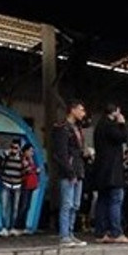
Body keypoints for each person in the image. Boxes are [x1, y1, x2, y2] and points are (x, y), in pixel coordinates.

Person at [90, 104, 128, 243]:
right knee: (116, 199)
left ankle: (100, 233)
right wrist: (122, 124)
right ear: (114, 112)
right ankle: (116, 232)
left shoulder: (99, 126)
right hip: (113, 171)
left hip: (101, 170)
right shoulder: (110, 126)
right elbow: (124, 137)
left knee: (103, 200)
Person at [51, 100, 88, 246]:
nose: (83, 113)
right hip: (69, 171)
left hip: (78, 169)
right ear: (72, 110)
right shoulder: (62, 128)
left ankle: (71, 233)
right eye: (81, 109)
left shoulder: (77, 128)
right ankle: (64, 235)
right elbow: (61, 153)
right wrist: (69, 172)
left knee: (76, 204)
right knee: (67, 203)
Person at [0, 139, 25, 237]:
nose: (13, 150)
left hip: (17, 185)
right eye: (12, 147)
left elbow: (24, 170)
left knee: (15, 208)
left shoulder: (22, 158)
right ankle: (4, 228)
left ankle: (12, 227)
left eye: (16, 148)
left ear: (19, 148)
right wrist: (5, 154)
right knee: (4, 206)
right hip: (6, 183)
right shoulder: (6, 155)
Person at [15, 143, 40, 234]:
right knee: (23, 206)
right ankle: (18, 226)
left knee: (27, 206)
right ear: (25, 151)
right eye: (30, 151)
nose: (32, 153)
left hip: (31, 185)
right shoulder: (22, 159)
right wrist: (29, 169)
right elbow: (23, 170)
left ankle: (23, 226)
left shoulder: (31, 160)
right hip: (25, 184)